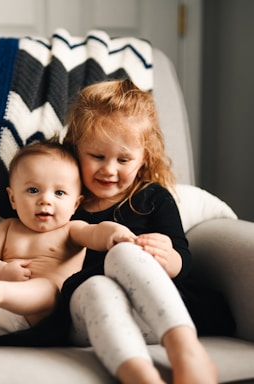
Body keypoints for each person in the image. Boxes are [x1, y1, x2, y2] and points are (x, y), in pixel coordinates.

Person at [61, 79, 218, 384]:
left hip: (152, 314)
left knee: (124, 251)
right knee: (97, 286)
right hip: (91, 317)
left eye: (123, 159)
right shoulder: (63, 199)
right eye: (97, 156)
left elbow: (181, 260)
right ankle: (140, 377)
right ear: (75, 149)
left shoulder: (153, 198)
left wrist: (169, 258)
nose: (109, 169)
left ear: (143, 157)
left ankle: (185, 350)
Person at [0, 141, 137, 350]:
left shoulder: (71, 230)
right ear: (13, 198)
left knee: (48, 289)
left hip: (37, 317)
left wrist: (115, 233)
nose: (45, 200)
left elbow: (95, 232)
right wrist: (1, 269)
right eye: (33, 190)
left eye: (59, 193)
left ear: (75, 204)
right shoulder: (8, 227)